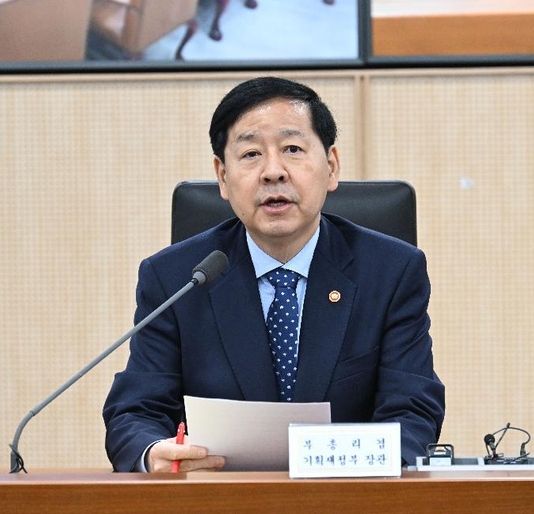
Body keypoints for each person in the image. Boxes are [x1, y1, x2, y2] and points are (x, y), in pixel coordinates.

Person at [103, 76, 445, 473]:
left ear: (331, 167)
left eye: (292, 149)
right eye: (250, 154)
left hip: (349, 494)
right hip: (219, 496)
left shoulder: (391, 272)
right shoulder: (175, 278)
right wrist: (152, 453)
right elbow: (135, 412)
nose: (273, 172)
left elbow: (413, 410)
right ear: (222, 177)